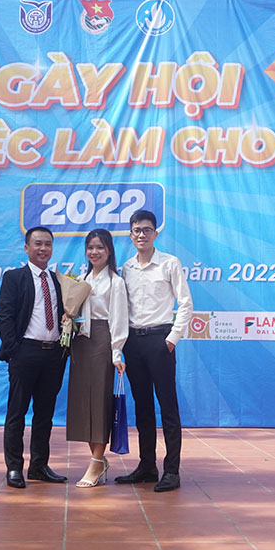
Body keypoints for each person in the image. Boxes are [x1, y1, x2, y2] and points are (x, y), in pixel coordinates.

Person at [115, 210, 192, 492]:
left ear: (155, 233)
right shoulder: (126, 268)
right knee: (143, 407)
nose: (142, 234)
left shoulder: (170, 263)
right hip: (134, 342)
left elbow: (185, 303)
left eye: (147, 229)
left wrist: (172, 339)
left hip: (160, 340)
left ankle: (171, 471)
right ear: (130, 234)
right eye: (136, 230)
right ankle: (147, 466)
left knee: (168, 407)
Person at [0, 226, 68, 489]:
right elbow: (5, 316)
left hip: (53, 355)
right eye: (38, 243)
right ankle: (14, 467)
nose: (43, 248)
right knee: (17, 412)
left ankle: (39, 466)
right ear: (26, 248)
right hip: (25, 353)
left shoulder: (59, 281)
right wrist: (14, 351)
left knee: (45, 414)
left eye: (48, 244)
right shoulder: (14, 278)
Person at [66, 229, 128, 488]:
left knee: (100, 403)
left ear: (109, 250)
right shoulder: (81, 279)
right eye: (90, 247)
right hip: (80, 342)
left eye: (100, 247)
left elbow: (118, 319)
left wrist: (116, 352)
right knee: (84, 404)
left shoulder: (115, 282)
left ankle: (95, 462)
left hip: (103, 341)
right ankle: (97, 460)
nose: (94, 252)